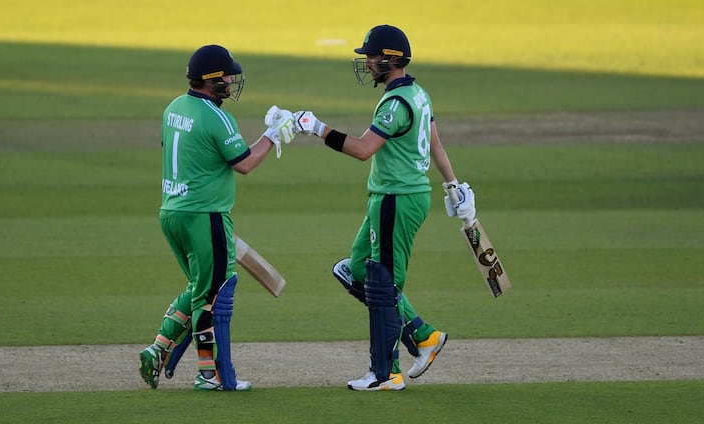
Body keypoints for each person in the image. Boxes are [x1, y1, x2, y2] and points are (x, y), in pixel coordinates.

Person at [293, 24, 476, 391]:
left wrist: (317, 128)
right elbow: (435, 144)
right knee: (356, 268)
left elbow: (363, 149)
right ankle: (422, 335)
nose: (368, 63)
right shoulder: (418, 94)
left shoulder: (396, 104)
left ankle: (385, 373)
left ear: (391, 60)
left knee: (383, 283)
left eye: (372, 57)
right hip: (391, 197)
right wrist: (453, 185)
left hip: (397, 198)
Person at [139, 44, 295, 392]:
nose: (231, 81)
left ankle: (158, 348)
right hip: (205, 215)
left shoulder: (173, 108)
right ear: (211, 80)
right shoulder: (216, 117)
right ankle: (211, 375)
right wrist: (272, 135)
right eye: (226, 76)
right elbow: (245, 163)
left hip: (172, 212)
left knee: (201, 288)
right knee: (214, 296)